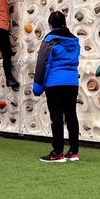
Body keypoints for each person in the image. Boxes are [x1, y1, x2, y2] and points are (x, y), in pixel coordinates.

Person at [33, 11, 80, 163]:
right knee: (71, 115)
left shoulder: (50, 40)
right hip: (72, 83)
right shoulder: (74, 41)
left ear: (50, 24)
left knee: (57, 118)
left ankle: (57, 152)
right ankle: (73, 151)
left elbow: (42, 64)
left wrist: (38, 87)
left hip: (55, 84)